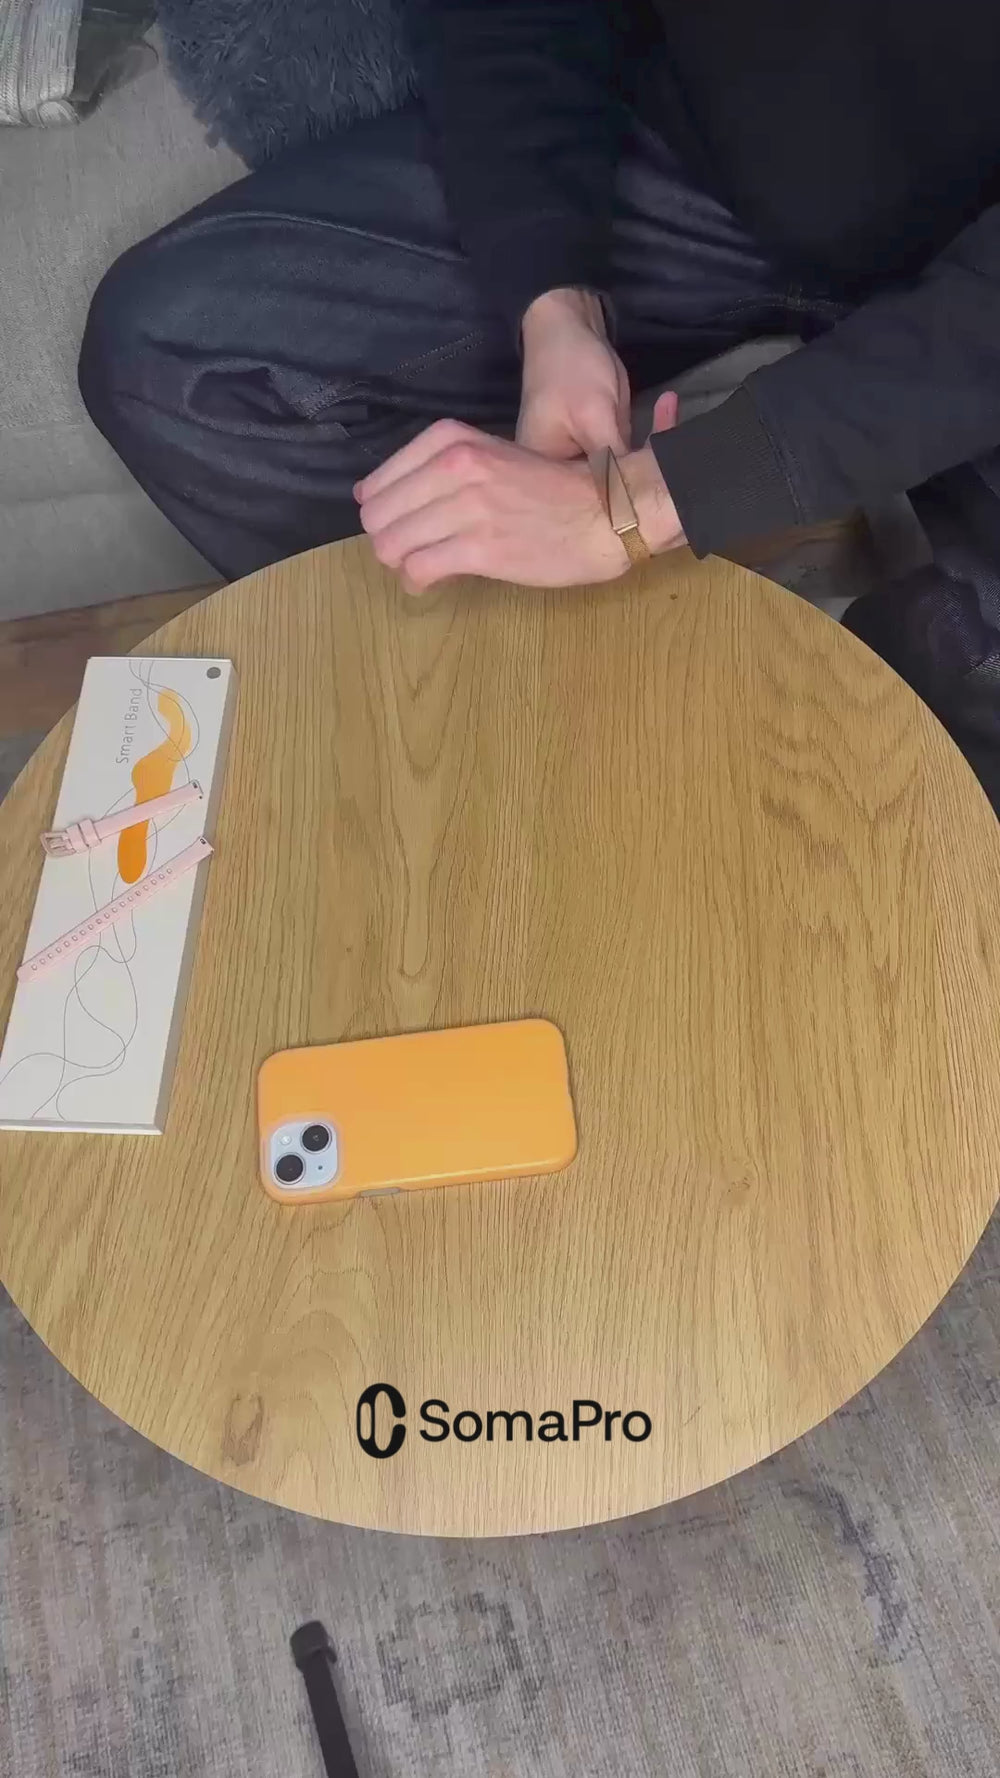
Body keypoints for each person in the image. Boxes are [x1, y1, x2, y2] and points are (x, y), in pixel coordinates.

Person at [79, 0, 1000, 773]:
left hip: (976, 257)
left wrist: (648, 501)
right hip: (697, 160)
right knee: (176, 359)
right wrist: (553, 303)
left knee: (938, 731)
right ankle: (500, 745)